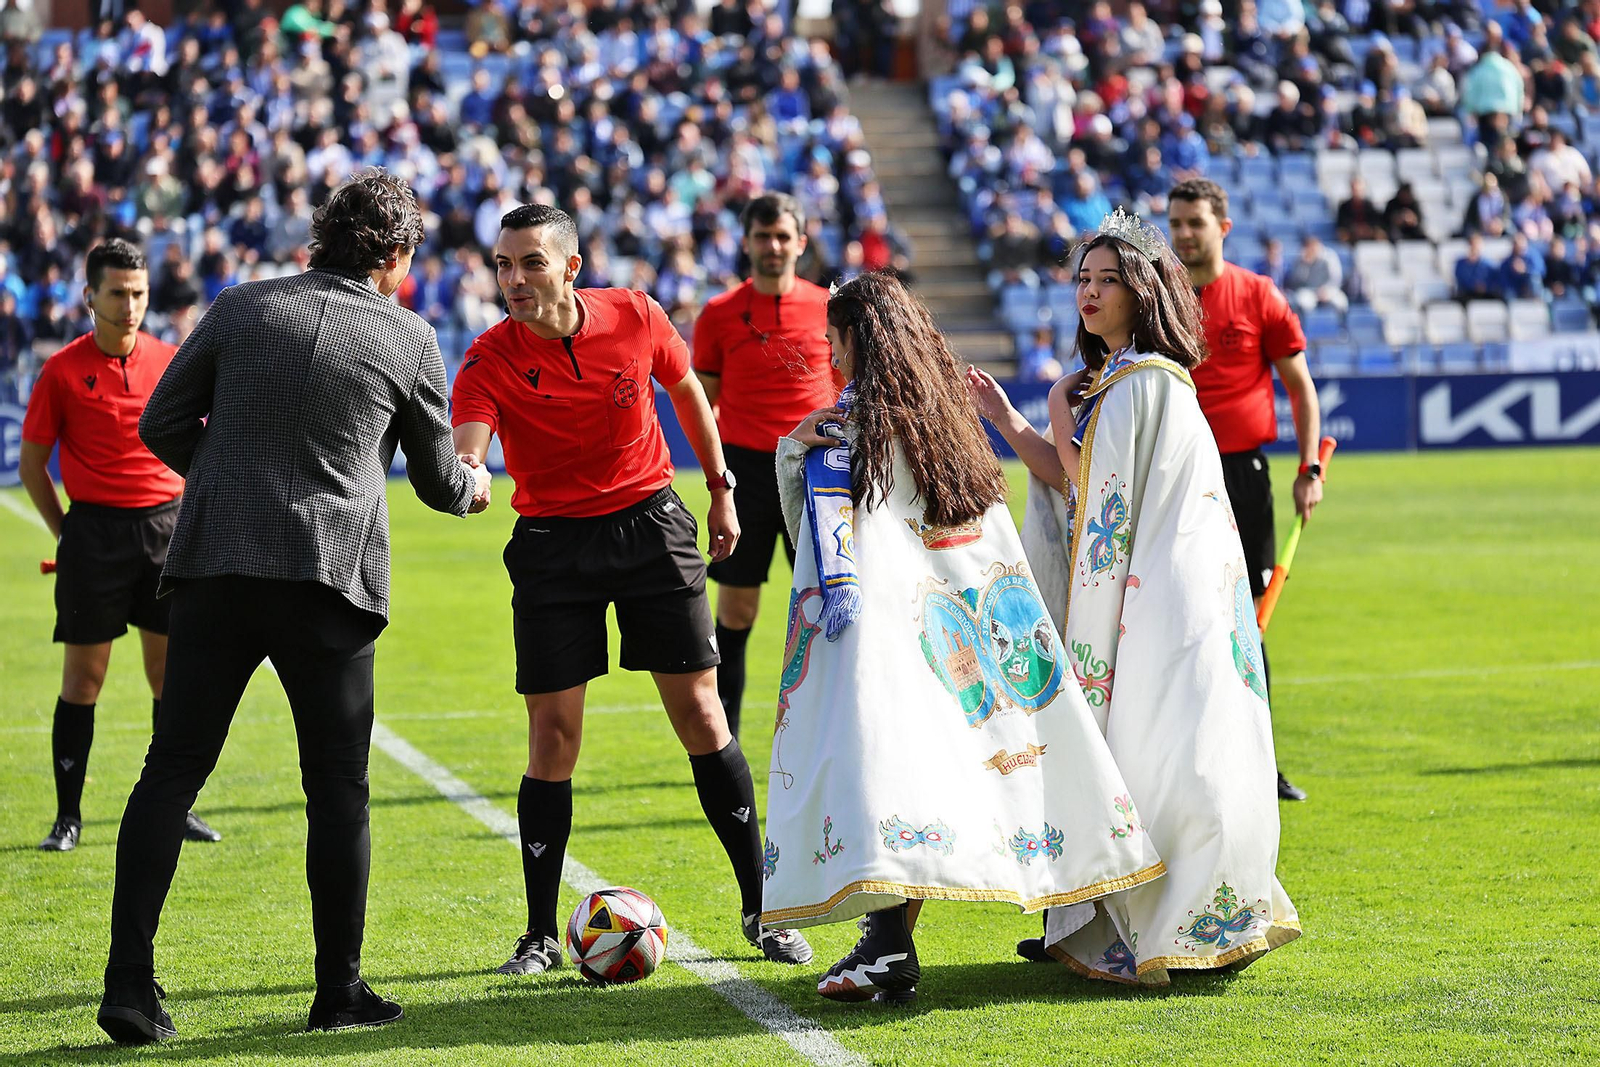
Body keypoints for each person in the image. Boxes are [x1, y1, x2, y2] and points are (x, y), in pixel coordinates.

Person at [98, 170, 491, 1045]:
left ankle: (128, 983)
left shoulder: (242, 305)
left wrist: (226, 480)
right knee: (339, 791)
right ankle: (336, 988)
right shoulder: (408, 335)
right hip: (328, 578)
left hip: (213, 569)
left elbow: (161, 421)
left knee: (172, 769)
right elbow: (437, 482)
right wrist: (475, 487)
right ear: (393, 256)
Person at [761, 271, 1162, 1003]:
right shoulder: (946, 425)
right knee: (951, 773)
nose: (830, 353)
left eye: (836, 339)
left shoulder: (852, 429)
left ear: (858, 340)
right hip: (972, 635)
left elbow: (823, 550)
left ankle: (886, 942)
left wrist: (794, 453)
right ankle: (894, 941)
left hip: (891, 635)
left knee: (885, 771)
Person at [449, 204, 814, 978]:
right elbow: (470, 443)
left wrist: (720, 489)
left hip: (652, 526)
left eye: (530, 263)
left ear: (571, 266)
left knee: (702, 713)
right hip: (553, 548)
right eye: (503, 265)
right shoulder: (487, 359)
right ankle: (540, 934)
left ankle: (764, 907)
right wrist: (472, 474)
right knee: (553, 736)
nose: (513, 279)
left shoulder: (637, 313)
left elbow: (688, 395)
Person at [971, 210, 1301, 985]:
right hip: (1181, 594)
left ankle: (1157, 920)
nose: (1088, 292)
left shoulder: (1135, 383)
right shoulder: (1142, 380)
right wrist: (1020, 416)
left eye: (1106, 279)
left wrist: (1048, 405)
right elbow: (1084, 482)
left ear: (1141, 289)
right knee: (1173, 750)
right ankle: (1177, 912)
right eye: (1082, 279)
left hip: (1156, 599)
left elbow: (1092, 501)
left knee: (1156, 753)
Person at [18, 239, 221, 854]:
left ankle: (175, 808)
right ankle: (67, 818)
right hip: (94, 535)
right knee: (84, 680)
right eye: (117, 293)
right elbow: (33, 465)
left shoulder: (172, 359)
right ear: (89, 297)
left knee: (171, 678)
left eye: (138, 293)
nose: (129, 305)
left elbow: (205, 446)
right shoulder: (61, 370)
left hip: (166, 529)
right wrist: (66, 533)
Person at [1167, 179, 1322, 803]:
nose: (1184, 234)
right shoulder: (1157, 298)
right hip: (1174, 474)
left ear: (1222, 227)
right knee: (1172, 617)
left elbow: (1301, 388)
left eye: (1195, 223)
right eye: (1175, 222)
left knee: (1247, 624)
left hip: (1241, 476)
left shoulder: (1257, 295)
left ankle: (1262, 762)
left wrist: (1308, 469)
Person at [691, 193, 837, 740]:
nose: (772, 247)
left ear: (800, 242)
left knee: (833, 601)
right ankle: (722, 737)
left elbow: (850, 394)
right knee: (736, 611)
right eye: (762, 236)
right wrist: (716, 477)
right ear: (746, 242)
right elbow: (703, 400)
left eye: (782, 236)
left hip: (817, 470)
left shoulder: (829, 309)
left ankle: (832, 729)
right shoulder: (719, 315)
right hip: (747, 472)